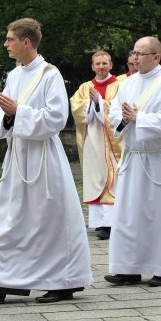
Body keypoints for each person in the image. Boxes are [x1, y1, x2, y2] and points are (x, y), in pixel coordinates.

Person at [0, 18, 92, 304]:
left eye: (10, 39)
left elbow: (57, 118)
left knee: (48, 219)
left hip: (43, 156)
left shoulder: (49, 74)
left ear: (26, 42)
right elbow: (7, 119)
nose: (6, 44)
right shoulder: (15, 74)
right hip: (18, 155)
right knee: (9, 217)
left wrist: (19, 111)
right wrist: (9, 115)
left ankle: (62, 282)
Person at [104, 36, 161, 287]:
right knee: (129, 214)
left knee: (160, 214)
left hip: (159, 158)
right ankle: (129, 268)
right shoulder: (128, 84)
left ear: (156, 57)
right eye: (134, 53)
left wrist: (141, 118)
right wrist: (127, 119)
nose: (135, 58)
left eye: (141, 53)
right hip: (134, 156)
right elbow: (115, 111)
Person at [70, 50, 121, 240]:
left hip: (114, 140)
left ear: (111, 65)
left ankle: (114, 221)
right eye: (97, 64)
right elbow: (76, 109)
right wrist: (90, 104)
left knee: (113, 179)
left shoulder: (120, 86)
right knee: (95, 177)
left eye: (104, 63)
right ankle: (100, 223)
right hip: (93, 139)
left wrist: (99, 102)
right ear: (92, 66)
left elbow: (121, 107)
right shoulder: (85, 87)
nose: (101, 67)